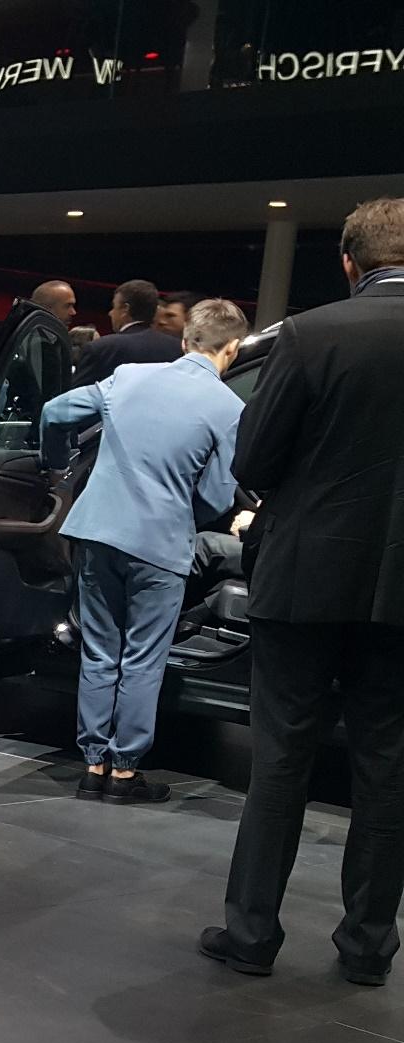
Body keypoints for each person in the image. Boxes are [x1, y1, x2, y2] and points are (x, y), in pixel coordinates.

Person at [205, 197, 404, 986]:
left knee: (282, 759)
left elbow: (253, 461)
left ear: (349, 263)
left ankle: (252, 934)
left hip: (302, 579)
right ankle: (369, 947)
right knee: (388, 766)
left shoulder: (311, 334)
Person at [39, 297, 249, 803]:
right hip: (160, 545)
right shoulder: (229, 408)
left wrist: (55, 462)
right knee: (142, 659)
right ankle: (125, 772)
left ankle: (92, 765)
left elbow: (55, 412)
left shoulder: (130, 377)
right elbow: (219, 496)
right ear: (233, 349)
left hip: (98, 533)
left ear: (186, 340)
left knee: (99, 652)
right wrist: (181, 513)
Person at [72, 278, 182, 386]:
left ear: (125, 309)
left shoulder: (101, 348)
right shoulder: (178, 349)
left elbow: (76, 396)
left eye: (114, 307)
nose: (110, 313)